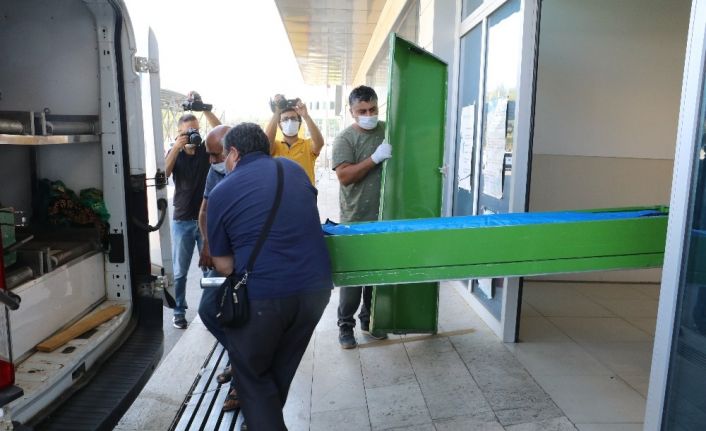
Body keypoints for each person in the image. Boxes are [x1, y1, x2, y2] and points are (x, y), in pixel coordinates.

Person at [208, 123, 332, 430]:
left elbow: (223, 264)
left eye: (223, 155)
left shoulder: (222, 191)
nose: (222, 162)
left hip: (265, 297)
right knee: (279, 369)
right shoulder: (293, 170)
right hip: (316, 290)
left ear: (234, 153)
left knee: (252, 377)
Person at [332, 85, 392, 349]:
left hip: (385, 218)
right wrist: (375, 158)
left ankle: (369, 321)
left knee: (376, 275)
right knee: (354, 278)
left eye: (373, 109)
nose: (369, 115)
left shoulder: (388, 130)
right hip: (355, 219)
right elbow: (344, 176)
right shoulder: (345, 139)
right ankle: (345, 326)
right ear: (352, 112)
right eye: (362, 111)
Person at [164, 92, 221, 329]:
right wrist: (176, 148)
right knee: (180, 272)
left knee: (210, 269)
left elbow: (223, 132)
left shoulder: (206, 150)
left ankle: (210, 310)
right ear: (178, 133)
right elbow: (163, 175)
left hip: (206, 220)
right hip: (182, 220)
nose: (193, 135)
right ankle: (179, 311)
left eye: (195, 130)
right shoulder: (174, 153)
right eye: (187, 132)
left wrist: (204, 108)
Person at [195, 125, 239, 411]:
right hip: (222, 255)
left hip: (248, 259)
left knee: (244, 314)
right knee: (208, 309)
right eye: (209, 156)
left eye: (215, 155)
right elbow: (204, 211)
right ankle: (239, 357)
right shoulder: (216, 172)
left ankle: (242, 381)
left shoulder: (254, 172)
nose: (212, 161)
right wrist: (208, 244)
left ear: (232, 151)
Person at [265, 94, 325, 184]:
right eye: (285, 119)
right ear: (280, 125)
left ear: (299, 123)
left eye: (293, 118)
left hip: (304, 193)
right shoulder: (275, 147)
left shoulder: (307, 145)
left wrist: (306, 116)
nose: (289, 121)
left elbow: (319, 143)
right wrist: (277, 113)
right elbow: (266, 144)